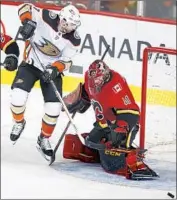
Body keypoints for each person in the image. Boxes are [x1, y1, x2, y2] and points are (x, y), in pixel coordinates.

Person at [62, 60, 158, 180]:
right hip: (105, 122)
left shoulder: (115, 83)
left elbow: (131, 112)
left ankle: (131, 159)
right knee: (92, 141)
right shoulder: (88, 76)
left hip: (124, 120)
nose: (98, 83)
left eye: (101, 79)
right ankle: (103, 149)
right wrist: (76, 100)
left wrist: (120, 129)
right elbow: (87, 93)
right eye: (96, 80)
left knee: (114, 151)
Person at [9, 3, 81, 159]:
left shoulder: (74, 40)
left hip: (51, 71)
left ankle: (44, 139)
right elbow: (24, 6)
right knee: (17, 97)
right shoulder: (46, 16)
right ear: (62, 19)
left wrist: (55, 69)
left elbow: (67, 61)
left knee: (53, 109)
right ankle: (19, 123)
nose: (71, 28)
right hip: (30, 64)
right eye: (69, 24)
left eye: (74, 26)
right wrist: (27, 21)